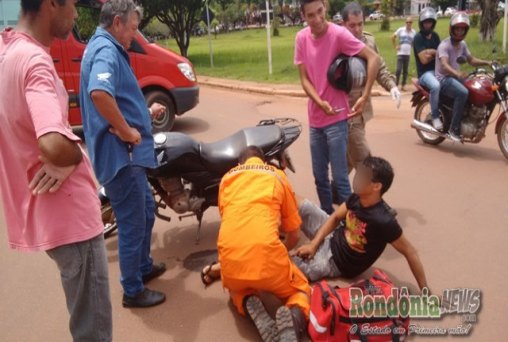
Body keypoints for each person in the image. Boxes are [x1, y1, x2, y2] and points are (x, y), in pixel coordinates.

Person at [0, 0, 112, 340]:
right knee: (93, 331)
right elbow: (51, 141)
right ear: (52, 4)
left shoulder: (8, 52)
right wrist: (75, 155)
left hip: (49, 215)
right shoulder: (35, 61)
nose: (77, 14)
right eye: (73, 5)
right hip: (71, 220)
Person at [80, 0, 167, 308]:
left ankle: (142, 268)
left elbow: (114, 97)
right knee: (133, 223)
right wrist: (130, 131)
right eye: (131, 28)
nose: (134, 35)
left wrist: (142, 113)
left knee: (144, 211)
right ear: (117, 23)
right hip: (122, 157)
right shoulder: (106, 51)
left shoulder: (103, 47)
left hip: (125, 157)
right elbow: (100, 93)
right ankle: (133, 289)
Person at [292, 156, 429, 294]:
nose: (356, 179)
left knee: (285, 268)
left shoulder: (384, 221)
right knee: (295, 200)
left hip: (335, 262)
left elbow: (410, 252)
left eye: (363, 176)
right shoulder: (357, 197)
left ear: (377, 186)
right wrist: (314, 244)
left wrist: (426, 291)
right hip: (334, 234)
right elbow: (335, 218)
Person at [214, 146, 310, 342]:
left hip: (230, 259)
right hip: (267, 255)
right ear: (263, 161)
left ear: (239, 164)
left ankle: (249, 300)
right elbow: (294, 234)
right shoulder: (277, 176)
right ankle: (293, 319)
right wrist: (279, 253)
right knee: (300, 289)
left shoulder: (226, 179)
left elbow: (228, 220)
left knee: (237, 288)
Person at [294, 0, 380, 214]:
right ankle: (326, 219)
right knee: (320, 178)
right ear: (303, 16)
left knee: (340, 179)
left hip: (337, 119)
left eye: (320, 11)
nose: (317, 19)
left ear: (325, 7)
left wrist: (365, 94)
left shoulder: (338, 35)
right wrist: (319, 102)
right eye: (311, 15)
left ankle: (350, 223)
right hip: (315, 119)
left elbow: (373, 58)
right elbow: (304, 80)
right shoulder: (301, 38)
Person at [341, 2, 401, 172]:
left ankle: (334, 194)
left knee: (347, 161)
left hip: (361, 111)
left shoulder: (369, 41)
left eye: (360, 24)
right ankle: (364, 197)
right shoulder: (337, 45)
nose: (357, 29)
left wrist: (392, 86)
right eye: (352, 25)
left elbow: (379, 67)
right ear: (343, 25)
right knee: (365, 164)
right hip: (346, 113)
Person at [435, 12, 491, 142]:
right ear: (452, 29)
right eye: (457, 28)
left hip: (454, 78)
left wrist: (487, 62)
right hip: (443, 79)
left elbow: (471, 60)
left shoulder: (463, 45)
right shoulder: (445, 45)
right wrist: (457, 73)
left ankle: (466, 117)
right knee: (463, 92)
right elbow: (444, 64)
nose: (460, 32)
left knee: (476, 86)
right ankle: (454, 129)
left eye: (462, 29)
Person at [413, 7, 442, 130]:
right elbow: (423, 60)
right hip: (425, 74)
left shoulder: (435, 36)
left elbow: (441, 54)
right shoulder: (418, 38)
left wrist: (431, 52)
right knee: (435, 86)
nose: (428, 24)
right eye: (425, 22)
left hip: (438, 70)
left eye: (430, 22)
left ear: (433, 23)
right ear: (421, 23)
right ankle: (435, 117)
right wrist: (435, 53)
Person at [392, 17, 416, 91]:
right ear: (405, 23)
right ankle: (396, 84)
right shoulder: (401, 30)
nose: (408, 23)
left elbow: (414, 41)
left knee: (405, 70)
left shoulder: (413, 32)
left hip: (407, 53)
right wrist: (396, 46)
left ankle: (403, 85)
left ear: (412, 23)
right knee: (398, 70)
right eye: (407, 22)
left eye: (410, 22)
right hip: (400, 53)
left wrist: (411, 46)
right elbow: (393, 37)